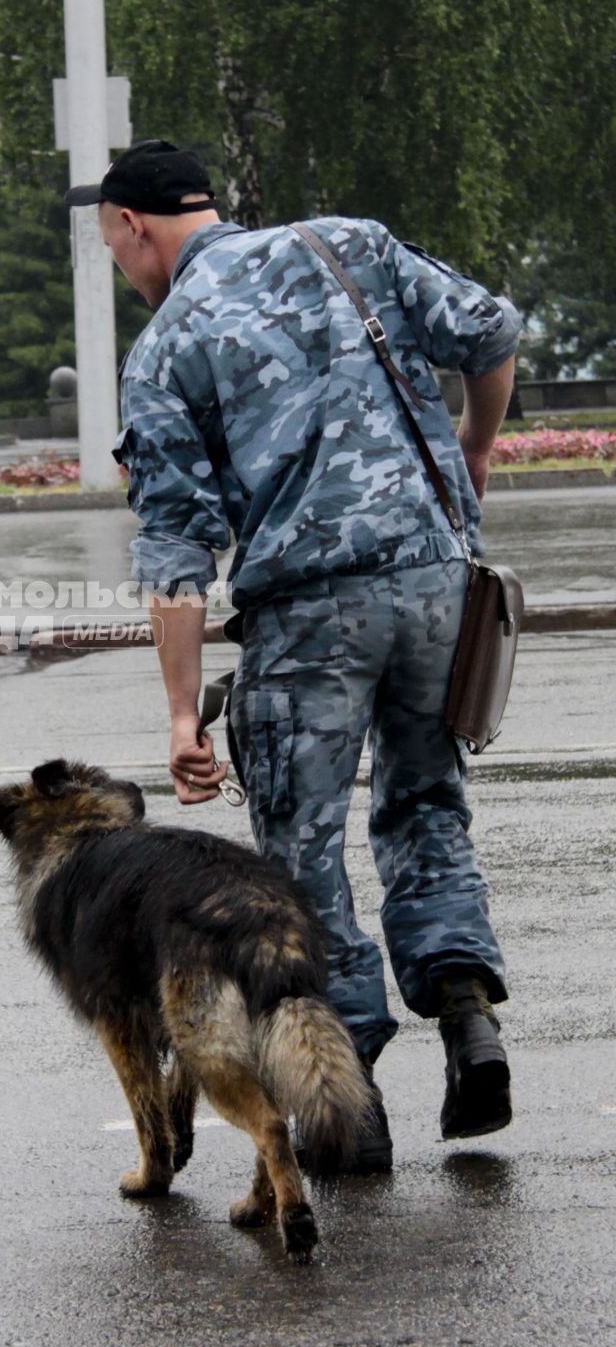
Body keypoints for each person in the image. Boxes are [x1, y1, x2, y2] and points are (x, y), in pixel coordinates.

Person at [68, 139, 520, 1172]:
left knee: (300, 863)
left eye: (113, 250)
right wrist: (476, 446)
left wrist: (182, 717)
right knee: (424, 808)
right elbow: (488, 333)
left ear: (132, 228)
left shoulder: (167, 344)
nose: (125, 272)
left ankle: (347, 1104)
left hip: (307, 621)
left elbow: (177, 553)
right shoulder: (347, 243)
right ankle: (463, 1008)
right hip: (433, 587)